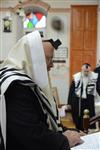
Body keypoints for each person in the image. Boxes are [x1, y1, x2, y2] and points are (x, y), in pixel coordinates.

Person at [0, 31, 82, 150]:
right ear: (33, 58)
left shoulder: (28, 81)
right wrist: (65, 140)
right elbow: (30, 134)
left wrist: (72, 133)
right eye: (49, 59)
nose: (52, 65)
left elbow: (46, 121)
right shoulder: (16, 85)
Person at [67, 63, 100, 131]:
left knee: (89, 120)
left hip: (88, 102)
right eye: (85, 71)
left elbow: (98, 88)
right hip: (78, 102)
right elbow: (71, 92)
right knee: (78, 120)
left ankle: (86, 131)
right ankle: (79, 130)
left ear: (90, 71)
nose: (86, 72)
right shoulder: (77, 78)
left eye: (88, 71)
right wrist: (69, 103)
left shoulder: (93, 78)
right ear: (82, 70)